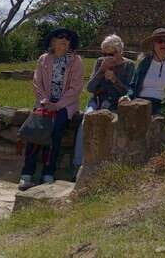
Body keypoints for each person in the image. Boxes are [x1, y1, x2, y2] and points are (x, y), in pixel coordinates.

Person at [18, 28, 83, 191]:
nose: (64, 40)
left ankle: (48, 172)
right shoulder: (44, 59)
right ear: (52, 41)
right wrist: (44, 101)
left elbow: (76, 88)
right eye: (60, 37)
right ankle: (26, 174)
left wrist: (59, 104)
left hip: (65, 105)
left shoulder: (76, 61)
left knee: (55, 131)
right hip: (44, 103)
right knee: (35, 132)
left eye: (68, 38)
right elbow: (37, 82)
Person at [72, 34, 135, 171]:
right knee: (85, 123)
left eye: (111, 54)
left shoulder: (129, 65)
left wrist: (114, 80)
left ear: (120, 52)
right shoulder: (100, 62)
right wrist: (101, 71)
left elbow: (129, 91)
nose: (107, 57)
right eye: (104, 53)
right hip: (98, 101)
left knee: (113, 127)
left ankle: (107, 167)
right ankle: (78, 165)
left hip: (115, 105)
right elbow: (90, 88)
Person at [120, 28, 165, 114]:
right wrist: (127, 96)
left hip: (163, 105)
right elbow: (133, 85)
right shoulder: (144, 63)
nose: (163, 44)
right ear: (153, 44)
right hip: (141, 102)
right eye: (160, 41)